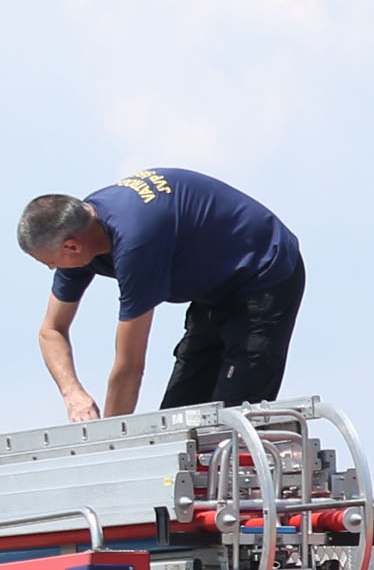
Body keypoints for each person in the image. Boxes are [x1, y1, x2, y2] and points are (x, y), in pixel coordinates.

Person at [18, 168, 306, 422]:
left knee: (230, 422)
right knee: (180, 421)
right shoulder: (82, 230)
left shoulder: (134, 244)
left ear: (71, 247)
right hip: (214, 289)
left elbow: (129, 367)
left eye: (49, 262)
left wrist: (109, 447)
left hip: (264, 273)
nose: (52, 269)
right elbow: (51, 330)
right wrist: (73, 394)